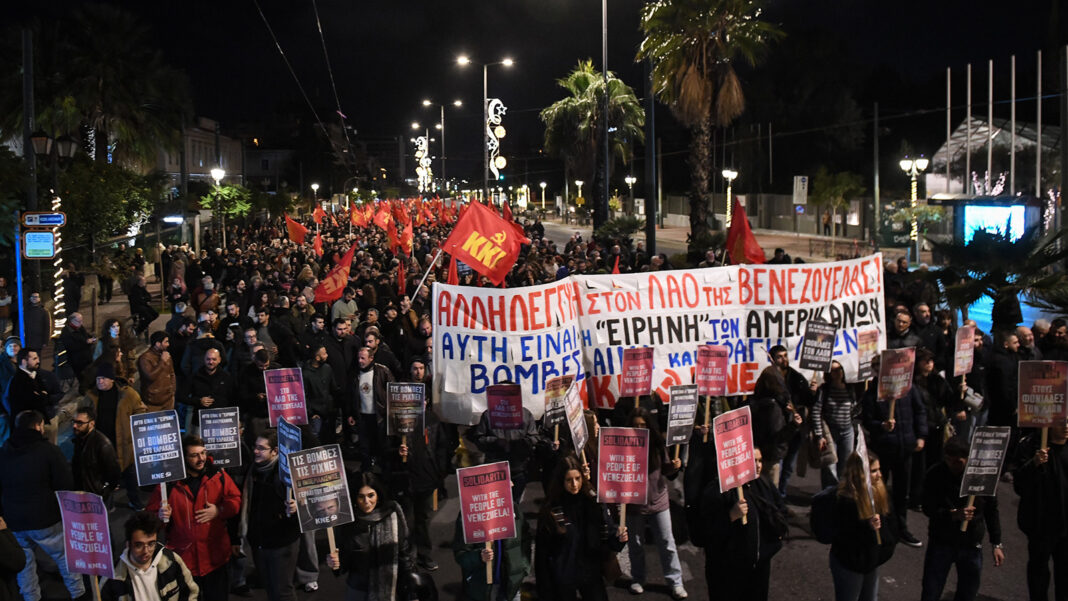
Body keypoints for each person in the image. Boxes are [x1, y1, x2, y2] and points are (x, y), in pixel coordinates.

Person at [0, 410, 86, 601]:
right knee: (64, 557)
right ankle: (78, 593)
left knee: (25, 564)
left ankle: (31, 597)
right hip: (45, 518)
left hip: (14, 520)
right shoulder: (48, 451)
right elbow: (65, 483)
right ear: (38, 426)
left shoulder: (4, 450)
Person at [148, 435, 242, 600]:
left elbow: (235, 500)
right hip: (184, 560)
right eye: (194, 455)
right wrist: (159, 517)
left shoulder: (218, 475)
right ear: (183, 457)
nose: (201, 459)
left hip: (215, 558)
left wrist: (219, 511)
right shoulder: (169, 485)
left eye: (203, 453)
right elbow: (148, 520)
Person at [920, 438, 1005, 601]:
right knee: (931, 590)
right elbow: (928, 507)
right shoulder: (935, 474)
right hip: (942, 541)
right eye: (949, 460)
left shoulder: (981, 476)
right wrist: (952, 514)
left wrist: (996, 543)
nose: (953, 465)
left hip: (971, 544)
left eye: (958, 461)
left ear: (968, 459)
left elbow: (991, 510)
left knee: (967, 593)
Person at [699, 446, 787, 601]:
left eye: (760, 460)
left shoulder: (763, 483)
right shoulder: (717, 490)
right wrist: (730, 516)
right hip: (728, 572)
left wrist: (777, 536)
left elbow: (780, 509)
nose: (759, 465)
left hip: (759, 569)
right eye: (753, 461)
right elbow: (705, 533)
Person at [536, 456, 627, 601]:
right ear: (561, 481)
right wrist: (544, 588)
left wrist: (619, 538)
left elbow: (607, 537)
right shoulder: (551, 510)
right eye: (569, 480)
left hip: (590, 572)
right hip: (563, 576)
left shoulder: (593, 503)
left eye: (577, 478)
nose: (574, 484)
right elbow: (542, 553)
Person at [861, 353, 928, 548]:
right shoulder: (873, 392)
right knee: (879, 490)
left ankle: (901, 528)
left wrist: (921, 436)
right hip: (883, 449)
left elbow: (920, 411)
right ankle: (880, 527)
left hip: (904, 447)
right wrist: (882, 425)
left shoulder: (907, 389)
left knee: (901, 492)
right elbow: (867, 420)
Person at [620, 408, 687, 599]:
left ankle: (675, 582)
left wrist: (673, 466)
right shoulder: (623, 447)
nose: (640, 428)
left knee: (667, 542)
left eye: (643, 425)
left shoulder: (657, 445)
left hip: (658, 501)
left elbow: (666, 471)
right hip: (634, 503)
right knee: (636, 544)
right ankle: (638, 579)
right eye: (636, 425)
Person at [326, 472, 415, 601]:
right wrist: (335, 563)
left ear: (378, 495)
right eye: (361, 497)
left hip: (390, 586)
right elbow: (344, 563)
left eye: (371, 495)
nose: (366, 502)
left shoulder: (392, 513)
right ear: (355, 498)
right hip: (358, 588)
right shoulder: (347, 521)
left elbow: (405, 551)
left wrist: (411, 589)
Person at [238, 430, 301, 601]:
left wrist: (296, 509)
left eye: (261, 448)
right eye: (255, 447)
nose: (256, 451)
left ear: (275, 451)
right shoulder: (253, 470)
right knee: (270, 588)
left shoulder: (286, 475)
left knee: (283, 591)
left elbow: (307, 509)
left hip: (282, 543)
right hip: (260, 542)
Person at [829, 451, 897, 601]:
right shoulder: (846, 501)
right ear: (860, 473)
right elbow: (845, 537)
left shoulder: (880, 492)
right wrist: (867, 527)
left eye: (879, 469)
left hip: (871, 561)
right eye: (873, 471)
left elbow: (891, 525)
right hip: (850, 564)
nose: (879, 474)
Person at [1012, 419, 1068, 601]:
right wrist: (1034, 464)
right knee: (1039, 571)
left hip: (1066, 525)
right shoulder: (1031, 447)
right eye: (1062, 423)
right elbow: (1019, 485)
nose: (1066, 427)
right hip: (1041, 522)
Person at [85, 361, 148, 510]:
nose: (100, 381)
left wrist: (131, 431)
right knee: (104, 476)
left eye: (104, 379)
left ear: (112, 379)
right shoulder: (91, 396)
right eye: (98, 379)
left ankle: (135, 501)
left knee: (129, 474)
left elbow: (140, 412)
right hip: (101, 443)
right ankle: (108, 504)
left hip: (124, 443)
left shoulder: (128, 394)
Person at [102, 511, 200, 601]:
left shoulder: (171, 561)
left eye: (151, 544)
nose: (146, 551)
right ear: (128, 544)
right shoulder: (113, 576)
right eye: (139, 545)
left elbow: (191, 592)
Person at [811, 360, 858, 487]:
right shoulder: (824, 390)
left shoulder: (849, 388)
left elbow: (854, 411)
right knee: (829, 467)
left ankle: (841, 494)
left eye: (839, 369)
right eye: (833, 370)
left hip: (847, 432)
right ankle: (829, 495)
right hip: (830, 432)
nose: (837, 373)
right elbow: (816, 411)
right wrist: (819, 435)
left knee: (846, 466)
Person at [349, 346, 394, 469]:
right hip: (362, 417)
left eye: (363, 358)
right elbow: (351, 395)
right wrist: (352, 413)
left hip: (380, 416)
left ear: (371, 358)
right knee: (364, 448)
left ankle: (385, 475)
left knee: (382, 447)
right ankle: (366, 474)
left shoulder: (382, 371)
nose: (360, 361)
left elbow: (393, 392)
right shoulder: (355, 373)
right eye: (358, 358)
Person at [71, 406, 122, 504]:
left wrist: (104, 490)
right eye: (74, 421)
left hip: (98, 497)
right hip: (83, 494)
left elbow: (114, 473)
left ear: (91, 424)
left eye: (80, 423)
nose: (75, 426)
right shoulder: (79, 439)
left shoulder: (103, 444)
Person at [139, 331, 177, 411]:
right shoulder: (145, 358)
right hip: (153, 402)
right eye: (166, 342)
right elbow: (150, 376)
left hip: (168, 400)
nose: (168, 344)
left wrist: (172, 391)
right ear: (158, 343)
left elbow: (172, 374)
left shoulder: (166, 355)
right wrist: (162, 362)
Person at [60, 312, 98, 381]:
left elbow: (86, 335)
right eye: (79, 321)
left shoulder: (79, 327)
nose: (81, 323)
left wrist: (92, 338)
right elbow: (71, 347)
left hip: (86, 356)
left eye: (82, 321)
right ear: (72, 321)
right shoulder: (66, 332)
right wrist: (86, 342)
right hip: (77, 359)